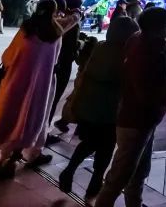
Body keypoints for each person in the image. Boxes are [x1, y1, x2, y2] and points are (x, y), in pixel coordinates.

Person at [0, 0, 80, 180]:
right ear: (54, 13)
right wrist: (77, 13)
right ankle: (10, 162)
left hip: (15, 84)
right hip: (41, 88)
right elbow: (72, 21)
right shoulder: (56, 33)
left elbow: (8, 57)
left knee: (2, 121)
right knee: (28, 124)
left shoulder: (26, 31)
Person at [94, 7, 166, 207]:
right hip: (137, 119)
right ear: (158, 28)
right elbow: (146, 91)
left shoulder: (138, 41)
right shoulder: (147, 52)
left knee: (137, 171)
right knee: (120, 174)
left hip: (139, 118)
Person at [57, 16, 139, 198]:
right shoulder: (126, 55)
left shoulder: (100, 47)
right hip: (111, 110)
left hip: (88, 106)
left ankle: (70, 169)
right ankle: (95, 180)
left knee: (88, 142)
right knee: (107, 146)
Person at [50, 0, 85, 129]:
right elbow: (70, 45)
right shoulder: (66, 22)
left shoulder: (52, 21)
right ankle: (44, 130)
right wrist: (80, 44)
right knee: (54, 97)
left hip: (55, 62)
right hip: (62, 63)